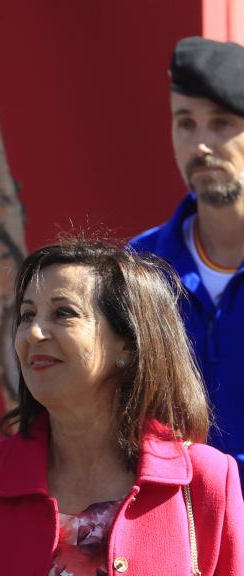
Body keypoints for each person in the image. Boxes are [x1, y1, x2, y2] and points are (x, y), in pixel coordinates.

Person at [0, 239, 243, 575]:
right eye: (26, 315)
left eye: (63, 312)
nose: (33, 333)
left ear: (127, 343)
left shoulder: (206, 480)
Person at [131, 37, 244, 469]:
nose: (201, 145)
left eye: (221, 123)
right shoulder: (139, 268)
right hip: (179, 527)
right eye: (185, 123)